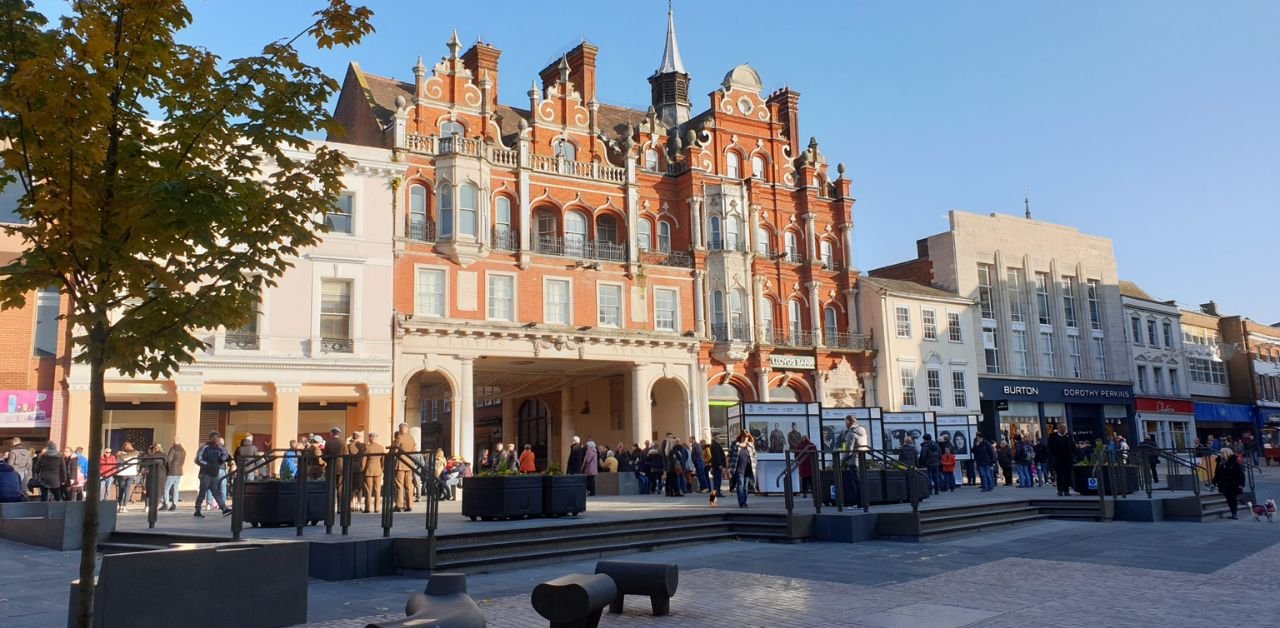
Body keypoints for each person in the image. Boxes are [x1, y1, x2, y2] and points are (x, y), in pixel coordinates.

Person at [193, 431, 232, 517]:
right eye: (214, 437)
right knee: (203, 492)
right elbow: (198, 459)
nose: (216, 439)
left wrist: (224, 458)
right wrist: (208, 465)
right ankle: (197, 510)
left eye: (217, 437)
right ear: (210, 438)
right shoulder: (205, 447)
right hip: (205, 473)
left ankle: (224, 508)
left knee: (215, 491)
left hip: (215, 472)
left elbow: (225, 455)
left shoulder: (220, 448)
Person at [1213, 447, 1246, 519]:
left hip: (1233, 484)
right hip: (1224, 484)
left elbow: (1240, 474)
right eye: (1220, 452)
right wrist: (1214, 481)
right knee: (1229, 499)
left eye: (1222, 453)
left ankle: (1234, 513)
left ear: (1226, 453)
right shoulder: (1220, 462)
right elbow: (1217, 473)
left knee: (1232, 498)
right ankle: (1233, 512)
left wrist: (1241, 484)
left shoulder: (1233, 462)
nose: (1220, 454)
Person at [392, 423, 417, 512]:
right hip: (409, 463)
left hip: (400, 463)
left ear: (401, 429)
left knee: (399, 485)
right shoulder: (411, 438)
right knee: (409, 485)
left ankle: (399, 505)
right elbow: (414, 450)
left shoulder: (399, 437)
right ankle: (410, 504)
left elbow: (394, 449)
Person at [1047, 423, 1075, 496]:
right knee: (1059, 475)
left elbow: (1073, 446)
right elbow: (1049, 447)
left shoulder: (1068, 436)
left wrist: (1073, 455)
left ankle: (1066, 490)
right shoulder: (1053, 436)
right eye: (1061, 427)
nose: (1063, 429)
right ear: (1058, 429)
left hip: (1067, 459)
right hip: (1058, 459)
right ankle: (1060, 490)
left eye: (1064, 427)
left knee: (1067, 475)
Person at [362, 432, 385, 513]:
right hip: (378, 470)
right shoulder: (381, 447)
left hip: (368, 470)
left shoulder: (367, 448)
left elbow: (363, 460)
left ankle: (367, 508)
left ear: (370, 438)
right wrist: (381, 469)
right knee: (377, 490)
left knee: (368, 490)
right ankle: (377, 508)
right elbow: (383, 460)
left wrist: (362, 469)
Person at [140, 444, 168, 508]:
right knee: (159, 491)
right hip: (161, 475)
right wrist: (166, 473)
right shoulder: (164, 455)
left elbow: (145, 466)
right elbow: (168, 465)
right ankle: (155, 506)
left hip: (151, 475)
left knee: (149, 490)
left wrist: (143, 471)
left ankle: (147, 506)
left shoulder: (151, 456)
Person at [115, 442, 139, 512]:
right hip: (131, 473)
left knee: (121, 490)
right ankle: (124, 506)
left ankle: (120, 506)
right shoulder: (135, 454)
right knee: (127, 490)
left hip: (122, 473)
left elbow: (117, 462)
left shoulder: (120, 454)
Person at [323, 427, 345, 501]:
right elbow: (346, 454)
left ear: (332, 433)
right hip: (341, 467)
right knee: (340, 486)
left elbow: (325, 455)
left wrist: (327, 461)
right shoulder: (343, 442)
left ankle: (331, 504)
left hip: (331, 466)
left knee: (331, 486)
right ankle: (339, 506)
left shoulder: (328, 442)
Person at [164, 438, 185, 510]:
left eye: (172, 440)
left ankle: (165, 504)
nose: (171, 442)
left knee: (166, 488)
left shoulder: (173, 449)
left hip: (172, 471)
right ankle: (174, 503)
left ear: (174, 442)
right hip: (179, 471)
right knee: (176, 488)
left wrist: (167, 469)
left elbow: (168, 460)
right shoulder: (183, 450)